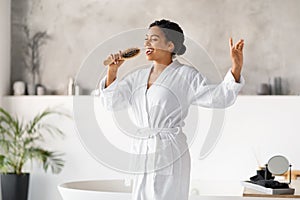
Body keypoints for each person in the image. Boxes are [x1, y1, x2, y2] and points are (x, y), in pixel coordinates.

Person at [99, 19, 245, 200]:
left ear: (170, 45)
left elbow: (220, 98)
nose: (146, 44)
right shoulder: (137, 77)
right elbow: (111, 103)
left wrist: (236, 68)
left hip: (169, 151)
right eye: (146, 39)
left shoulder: (186, 75)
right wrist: (112, 72)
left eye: (153, 39)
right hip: (143, 150)